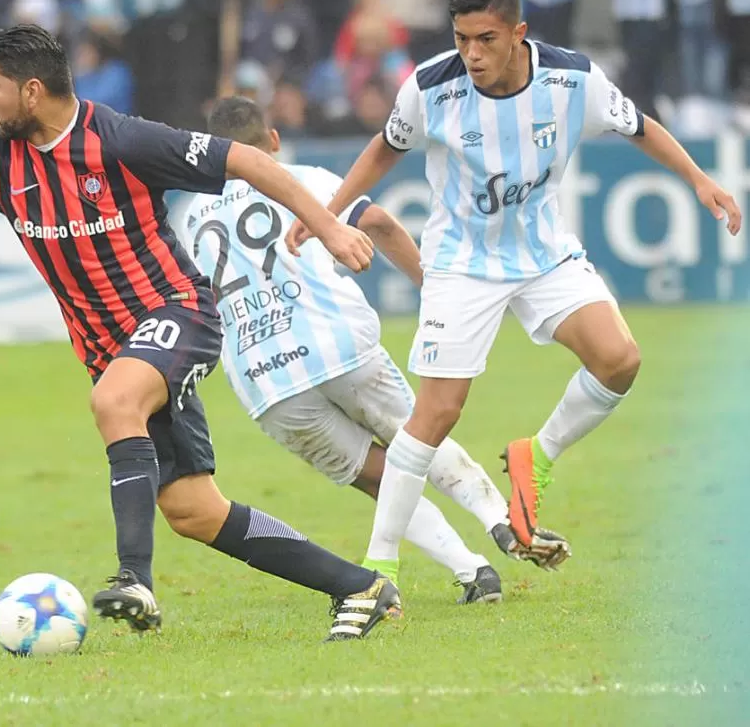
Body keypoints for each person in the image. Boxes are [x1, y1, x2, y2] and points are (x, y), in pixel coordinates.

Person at [0, 24, 398, 642]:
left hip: (179, 312)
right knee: (194, 511)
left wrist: (329, 228)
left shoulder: (120, 139)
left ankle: (133, 579)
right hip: (110, 349)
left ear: (32, 92)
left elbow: (248, 160)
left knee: (115, 401)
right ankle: (360, 586)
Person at [286, 0, 742, 569]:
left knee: (619, 359)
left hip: (543, 252)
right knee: (436, 415)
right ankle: (381, 566)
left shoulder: (573, 79)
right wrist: (327, 213)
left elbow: (638, 126)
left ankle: (538, 456)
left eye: (487, 40)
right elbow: (381, 152)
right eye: (461, 39)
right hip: (460, 263)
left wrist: (699, 179)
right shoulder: (429, 87)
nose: (472, 54)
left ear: (519, 32)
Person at [185, 97, 570, 605]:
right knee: (418, 439)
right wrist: (429, 286)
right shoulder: (303, 178)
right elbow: (382, 223)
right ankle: (501, 521)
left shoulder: (190, 218)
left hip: (267, 382)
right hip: (339, 344)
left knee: (379, 478)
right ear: (273, 141)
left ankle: (472, 571)